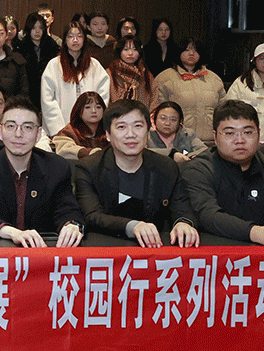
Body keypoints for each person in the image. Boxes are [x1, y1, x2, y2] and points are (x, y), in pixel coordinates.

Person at [182, 100, 264, 247]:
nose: (239, 140)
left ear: (259, 134)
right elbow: (207, 215)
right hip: (211, 250)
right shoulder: (198, 169)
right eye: (229, 133)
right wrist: (256, 232)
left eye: (248, 132)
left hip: (263, 250)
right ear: (215, 137)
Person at [0, 96, 85, 248]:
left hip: (40, 253)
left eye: (27, 127)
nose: (18, 134)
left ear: (38, 134)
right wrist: (12, 232)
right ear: (0, 132)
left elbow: (67, 208)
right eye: (11, 126)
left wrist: (71, 224)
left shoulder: (57, 167)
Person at [74, 99, 199, 247]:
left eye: (138, 126)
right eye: (121, 127)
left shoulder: (166, 167)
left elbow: (182, 208)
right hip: (106, 248)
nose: (131, 134)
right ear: (107, 134)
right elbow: (92, 216)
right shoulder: (89, 168)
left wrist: (183, 223)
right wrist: (133, 226)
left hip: (155, 250)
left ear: (148, 131)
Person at [40, 18, 110, 137]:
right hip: (60, 129)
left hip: (90, 130)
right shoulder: (54, 65)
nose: (75, 40)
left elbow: (102, 97)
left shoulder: (94, 65)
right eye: (70, 36)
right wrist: (60, 130)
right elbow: (48, 100)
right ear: (65, 40)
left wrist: (93, 122)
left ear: (84, 39)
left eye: (79, 36)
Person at [153, 37, 224, 143]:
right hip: (177, 141)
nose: (191, 53)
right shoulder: (164, 78)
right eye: (186, 50)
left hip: (211, 140)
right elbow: (156, 111)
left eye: (195, 50)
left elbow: (223, 111)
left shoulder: (214, 78)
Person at [51, 90, 108, 160]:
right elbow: (64, 150)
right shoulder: (69, 131)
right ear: (79, 110)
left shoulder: (109, 129)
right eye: (87, 107)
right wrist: (89, 153)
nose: (94, 111)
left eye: (98, 107)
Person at [107, 35, 156, 113]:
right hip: (116, 115)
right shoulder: (110, 72)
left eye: (135, 49)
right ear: (119, 51)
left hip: (141, 116)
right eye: (126, 49)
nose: (130, 53)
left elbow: (155, 97)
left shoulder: (145, 73)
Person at [17, 11, 60, 95]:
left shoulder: (52, 46)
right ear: (29, 29)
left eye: (40, 28)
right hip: (27, 91)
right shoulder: (21, 48)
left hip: (49, 90)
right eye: (33, 28)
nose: (37, 31)